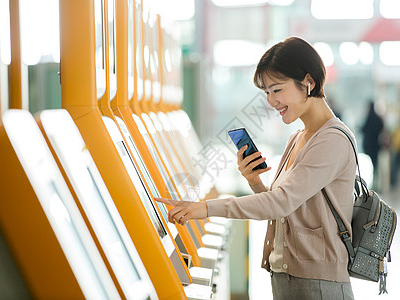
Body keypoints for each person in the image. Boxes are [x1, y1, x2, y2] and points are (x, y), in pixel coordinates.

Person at [156, 37, 357, 300]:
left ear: (308, 82)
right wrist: (254, 182)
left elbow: (281, 203)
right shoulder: (298, 138)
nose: (271, 101)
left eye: (277, 90)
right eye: (267, 92)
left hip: (319, 286)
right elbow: (280, 208)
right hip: (288, 278)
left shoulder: (332, 140)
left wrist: (204, 209)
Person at [361, 100, 384, 188]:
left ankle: (374, 183)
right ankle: (376, 183)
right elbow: (381, 128)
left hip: (369, 145)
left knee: (373, 164)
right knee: (376, 164)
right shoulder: (377, 118)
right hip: (376, 145)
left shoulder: (368, 118)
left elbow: (363, 129)